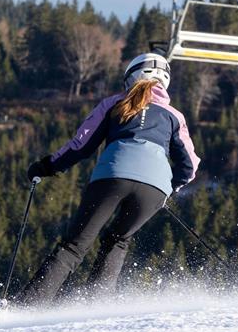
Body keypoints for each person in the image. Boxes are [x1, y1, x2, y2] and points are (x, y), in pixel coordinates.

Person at [19, 52, 200, 305]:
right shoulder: (174, 116)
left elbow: (80, 146)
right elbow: (189, 166)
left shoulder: (113, 104)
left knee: (74, 246)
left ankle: (28, 307)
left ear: (130, 77)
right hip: (154, 189)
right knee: (118, 240)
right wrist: (170, 188)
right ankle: (97, 305)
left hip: (112, 176)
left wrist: (47, 166)